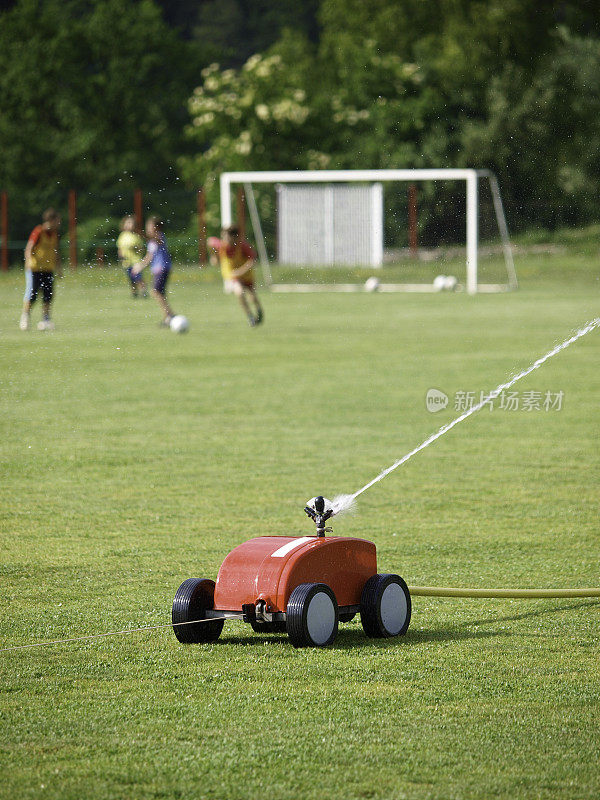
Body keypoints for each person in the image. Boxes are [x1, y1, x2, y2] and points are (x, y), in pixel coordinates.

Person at [208, 225, 263, 326]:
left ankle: (259, 311)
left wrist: (240, 271)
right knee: (239, 292)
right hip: (233, 276)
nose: (224, 239)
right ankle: (250, 316)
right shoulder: (222, 245)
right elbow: (210, 241)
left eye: (226, 237)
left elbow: (252, 261)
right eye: (223, 237)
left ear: (235, 237)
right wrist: (214, 256)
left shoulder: (243, 246)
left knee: (252, 297)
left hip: (246, 275)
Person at [20, 208, 62, 331]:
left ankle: (46, 320)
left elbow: (56, 251)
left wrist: (59, 268)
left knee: (48, 295)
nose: (59, 223)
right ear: (51, 220)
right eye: (57, 220)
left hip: (48, 268)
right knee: (32, 294)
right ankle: (25, 317)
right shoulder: (39, 231)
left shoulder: (55, 234)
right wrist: (28, 261)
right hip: (35, 269)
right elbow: (29, 248)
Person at [132, 215, 175, 326]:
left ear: (156, 227)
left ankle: (170, 315)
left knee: (155, 292)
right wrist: (141, 265)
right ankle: (168, 317)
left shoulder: (159, 237)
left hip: (162, 268)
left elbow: (150, 256)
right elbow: (149, 256)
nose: (148, 228)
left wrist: (140, 266)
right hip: (159, 269)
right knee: (160, 293)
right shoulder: (152, 240)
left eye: (149, 226)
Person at [117, 215, 147, 298]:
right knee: (131, 279)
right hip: (126, 262)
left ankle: (144, 291)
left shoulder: (136, 236)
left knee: (138, 277)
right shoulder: (122, 235)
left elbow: (141, 249)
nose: (129, 225)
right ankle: (134, 293)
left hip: (136, 261)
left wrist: (136, 248)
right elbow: (120, 248)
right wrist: (120, 256)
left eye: (131, 223)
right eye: (128, 223)